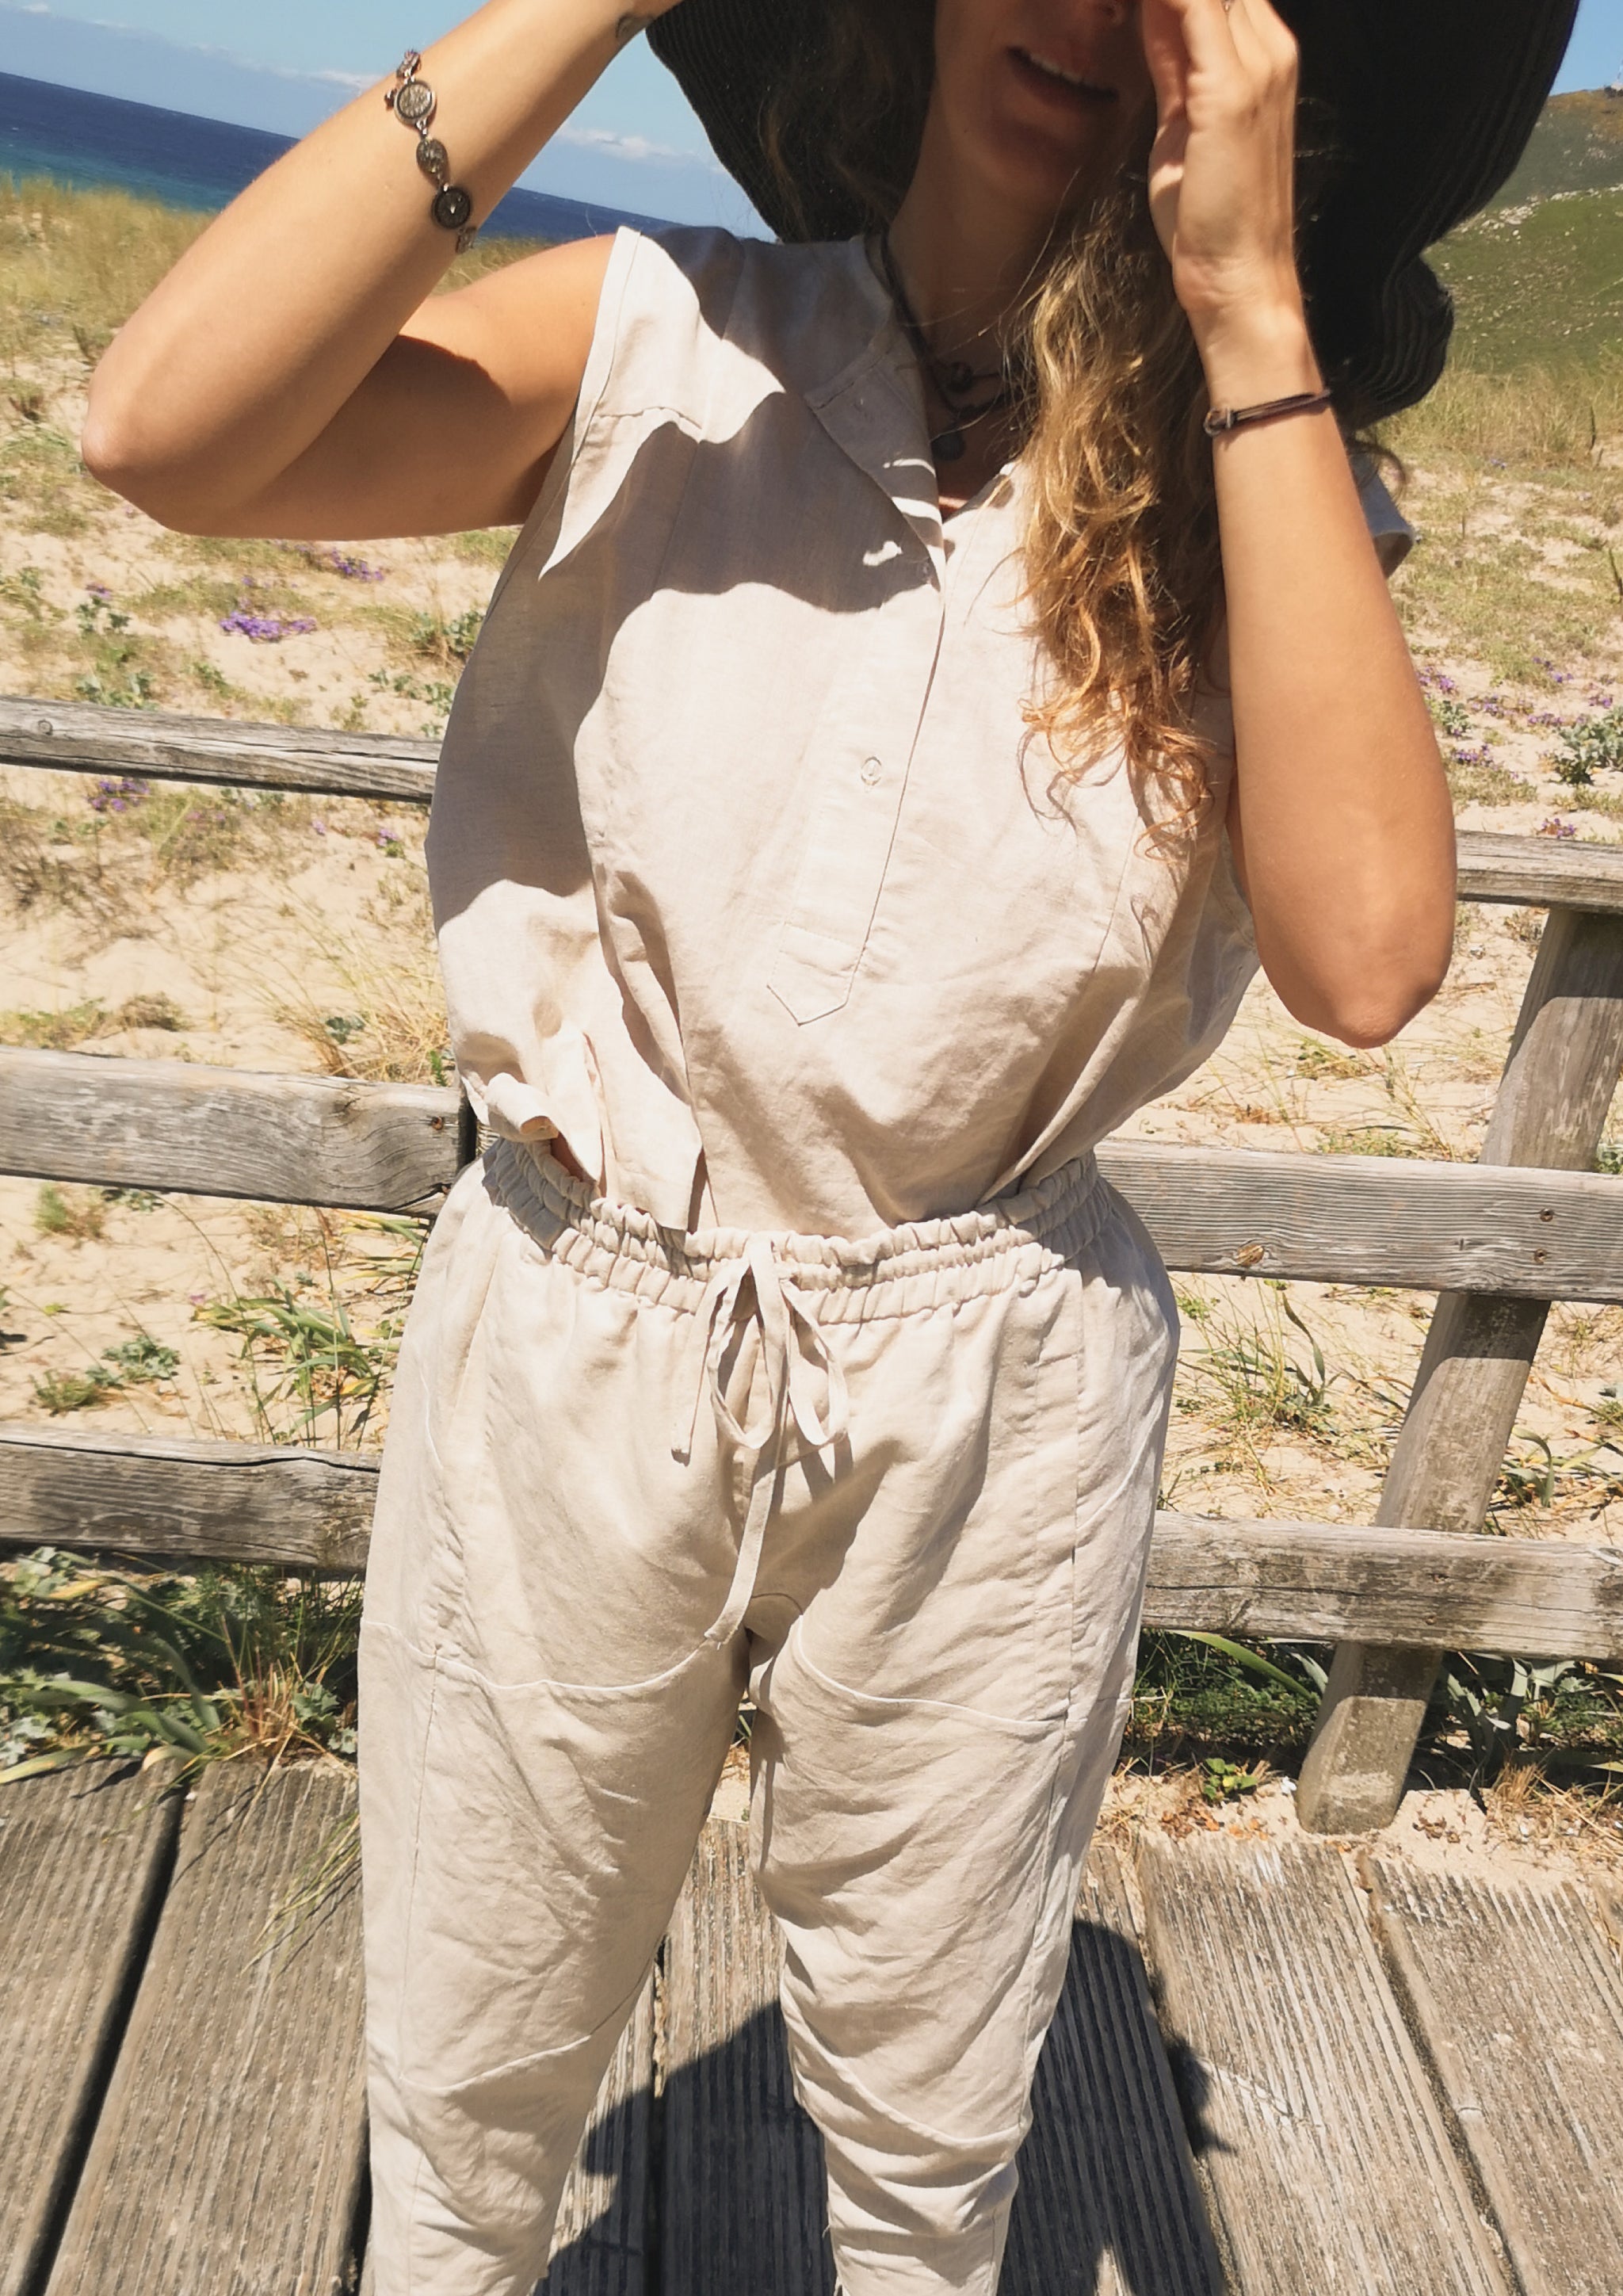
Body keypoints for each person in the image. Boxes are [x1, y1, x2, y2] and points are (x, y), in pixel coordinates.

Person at [82, 2, 1573, 2288]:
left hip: (994, 1375)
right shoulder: (658, 334)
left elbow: (1369, 958)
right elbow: (164, 430)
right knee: (465, 2106)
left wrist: (1253, 303)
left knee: (927, 2141)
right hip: (577, 1307)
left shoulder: (1254, 482)